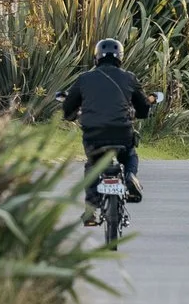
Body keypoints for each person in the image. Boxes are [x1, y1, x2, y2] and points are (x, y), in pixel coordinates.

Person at [57, 37, 153, 220]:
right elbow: (143, 109)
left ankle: (91, 209)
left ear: (97, 57)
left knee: (92, 165)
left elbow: (68, 106)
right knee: (130, 155)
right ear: (121, 57)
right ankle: (130, 176)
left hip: (94, 136)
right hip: (122, 134)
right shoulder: (129, 78)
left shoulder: (84, 78)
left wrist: (70, 115)